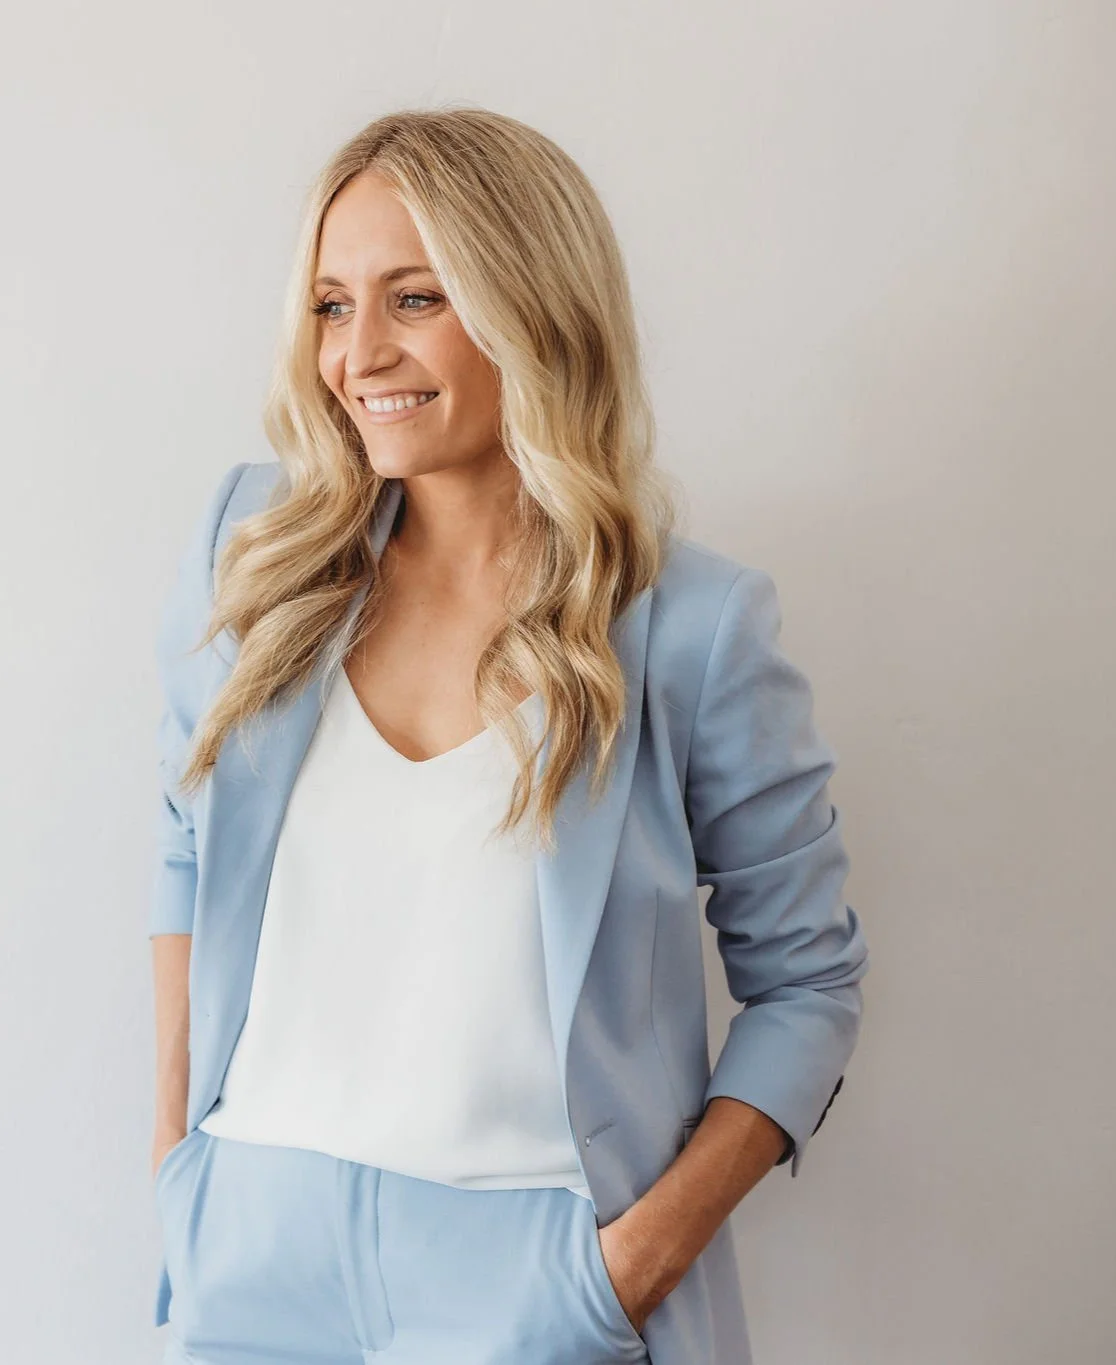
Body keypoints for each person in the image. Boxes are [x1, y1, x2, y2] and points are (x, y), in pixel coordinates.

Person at [145, 107, 871, 1365]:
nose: (357, 354)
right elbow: (183, 851)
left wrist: (628, 1270)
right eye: (329, 306)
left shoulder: (688, 628)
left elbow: (806, 985)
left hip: (536, 1272)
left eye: (413, 299)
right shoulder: (255, 552)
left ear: (530, 304)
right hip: (250, 1252)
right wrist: (177, 1177)